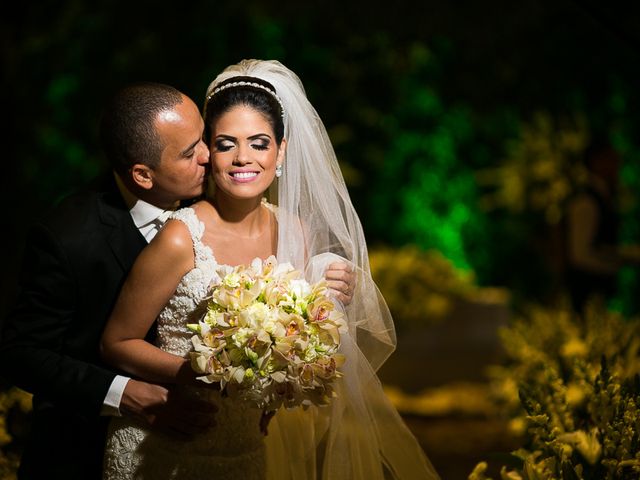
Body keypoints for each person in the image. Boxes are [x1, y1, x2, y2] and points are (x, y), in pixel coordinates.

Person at [100, 59, 440, 479]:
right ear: (208, 150)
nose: (243, 157)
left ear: (281, 151)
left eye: (259, 143)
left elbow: (299, 345)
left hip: (246, 448)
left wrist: (328, 306)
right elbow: (117, 342)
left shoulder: (293, 232)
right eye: (226, 144)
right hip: (164, 446)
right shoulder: (180, 237)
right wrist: (203, 371)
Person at [0, 80, 356, 479]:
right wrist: (127, 394)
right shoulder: (72, 238)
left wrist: (321, 273)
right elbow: (22, 354)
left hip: (237, 444)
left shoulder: (216, 192)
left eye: (206, 140)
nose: (211, 156)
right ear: (143, 175)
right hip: (89, 446)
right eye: (196, 150)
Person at [564, 136, 640, 315]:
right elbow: (580, 254)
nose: (617, 165)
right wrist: (620, 258)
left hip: (599, 290)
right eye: (611, 159)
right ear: (596, 162)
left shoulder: (603, 197)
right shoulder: (586, 201)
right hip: (588, 291)